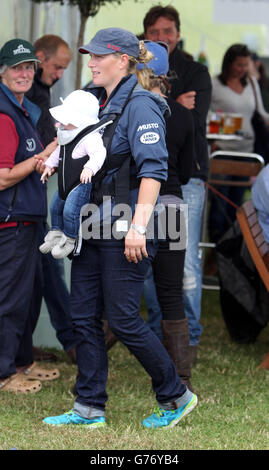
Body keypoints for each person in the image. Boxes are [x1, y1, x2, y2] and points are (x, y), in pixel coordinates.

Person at [43, 27, 198, 429]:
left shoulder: (142, 104)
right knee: (83, 316)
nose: (90, 62)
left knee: (125, 318)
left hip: (127, 226)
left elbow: (154, 171)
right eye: (89, 56)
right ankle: (88, 407)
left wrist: (139, 229)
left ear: (123, 61)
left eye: (98, 56)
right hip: (92, 226)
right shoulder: (96, 100)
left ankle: (176, 395)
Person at [143, 5, 212, 363]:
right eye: (154, 32)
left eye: (167, 31)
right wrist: (177, 104)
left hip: (187, 178)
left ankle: (191, 337)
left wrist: (174, 107)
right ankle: (159, 335)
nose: (161, 38)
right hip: (146, 180)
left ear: (178, 34)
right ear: (144, 35)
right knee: (150, 256)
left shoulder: (196, 70)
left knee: (185, 263)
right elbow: (180, 112)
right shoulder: (137, 69)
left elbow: (193, 118)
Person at [0, 38, 59, 393]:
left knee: (27, 295)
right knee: (9, 299)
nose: (23, 74)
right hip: (12, 221)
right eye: (16, 68)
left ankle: (21, 362)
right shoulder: (5, 114)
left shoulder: (21, 108)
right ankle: (5, 373)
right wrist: (43, 156)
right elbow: (3, 175)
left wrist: (42, 165)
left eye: (28, 68)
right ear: (2, 72)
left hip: (27, 218)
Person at [136, 40, 195, 391]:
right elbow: (186, 173)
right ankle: (182, 379)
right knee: (171, 293)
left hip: (136, 206)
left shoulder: (129, 110)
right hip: (172, 203)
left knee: (120, 291)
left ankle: (85, 358)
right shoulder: (183, 115)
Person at [26, 35, 75, 362]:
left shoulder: (40, 95)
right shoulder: (24, 96)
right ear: (40, 57)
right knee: (42, 269)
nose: (59, 74)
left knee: (41, 270)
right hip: (18, 196)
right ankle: (72, 341)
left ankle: (23, 347)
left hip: (31, 194)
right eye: (57, 66)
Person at [208, 44, 269, 245]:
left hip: (247, 150)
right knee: (220, 203)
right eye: (239, 64)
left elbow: (260, 112)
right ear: (229, 64)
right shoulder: (215, 84)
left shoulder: (251, 82)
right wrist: (219, 130)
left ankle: (232, 243)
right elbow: (204, 113)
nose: (243, 69)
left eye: (246, 64)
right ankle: (217, 243)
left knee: (237, 203)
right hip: (223, 150)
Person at [38, 90, 107, 259]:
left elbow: (99, 153)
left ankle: (70, 238)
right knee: (55, 207)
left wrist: (89, 168)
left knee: (70, 211)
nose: (61, 123)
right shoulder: (66, 135)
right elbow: (58, 153)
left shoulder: (90, 138)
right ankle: (56, 233)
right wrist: (48, 166)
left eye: (66, 119)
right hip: (64, 184)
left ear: (80, 120)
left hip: (79, 184)